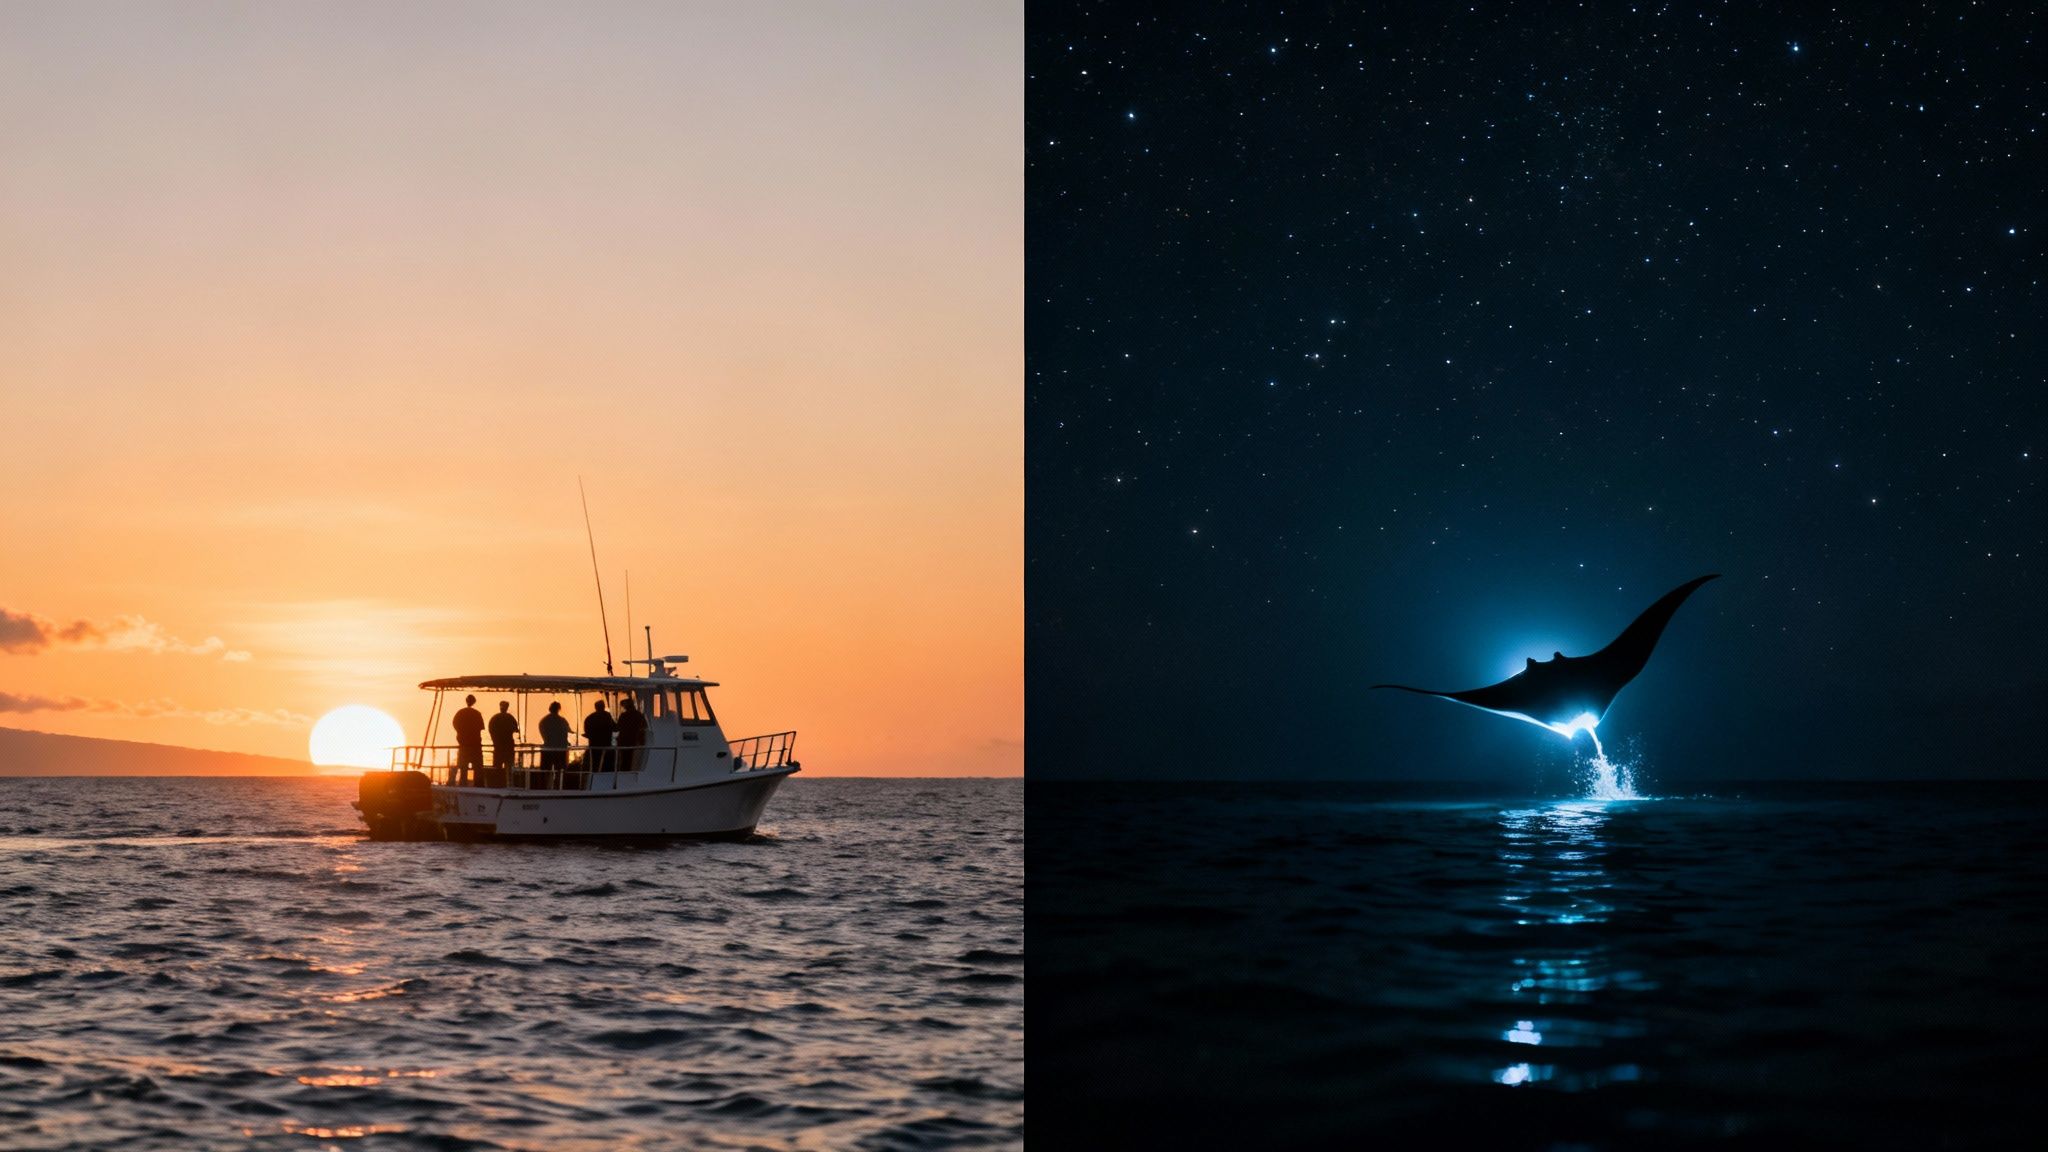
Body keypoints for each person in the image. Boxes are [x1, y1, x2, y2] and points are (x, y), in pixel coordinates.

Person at [451, 694, 485, 786]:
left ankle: (463, 784)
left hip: (463, 745)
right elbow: (481, 727)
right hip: (475, 745)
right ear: (474, 702)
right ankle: (478, 785)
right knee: (478, 767)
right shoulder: (477, 714)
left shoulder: (460, 713)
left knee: (463, 766)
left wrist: (461, 733)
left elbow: (454, 724)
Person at [487, 700, 519, 787]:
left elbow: (490, 730)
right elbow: (516, 729)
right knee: (509, 767)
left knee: (497, 767)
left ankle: (497, 784)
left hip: (498, 746)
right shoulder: (510, 718)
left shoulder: (494, 718)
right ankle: (508, 784)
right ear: (507, 708)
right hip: (508, 746)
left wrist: (495, 740)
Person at [538, 701, 571, 785]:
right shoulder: (562, 721)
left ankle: (545, 786)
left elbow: (543, 734)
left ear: (550, 709)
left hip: (548, 748)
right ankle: (559, 786)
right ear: (558, 709)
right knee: (560, 770)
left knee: (546, 771)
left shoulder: (544, 721)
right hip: (560, 749)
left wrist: (547, 740)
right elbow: (567, 731)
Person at [583, 698, 616, 774]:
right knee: (606, 763)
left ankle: (594, 776)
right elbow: (615, 728)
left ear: (595, 707)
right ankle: (605, 777)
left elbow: (586, 731)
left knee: (595, 763)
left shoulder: (589, 718)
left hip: (594, 745)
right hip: (606, 744)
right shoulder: (608, 716)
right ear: (603, 707)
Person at [615, 696, 647, 774]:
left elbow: (618, 727)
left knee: (624, 759)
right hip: (634, 740)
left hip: (624, 740)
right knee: (631, 759)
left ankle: (623, 773)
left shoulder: (623, 716)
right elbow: (644, 726)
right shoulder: (639, 715)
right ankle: (630, 773)